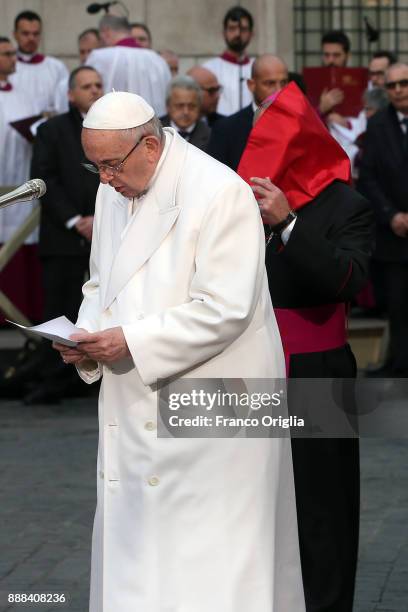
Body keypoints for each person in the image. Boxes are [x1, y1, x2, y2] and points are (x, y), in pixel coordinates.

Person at [53, 91, 305, 612]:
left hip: (216, 403)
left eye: (109, 165)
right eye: (93, 165)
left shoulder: (219, 191)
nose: (102, 178)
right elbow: (101, 282)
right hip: (132, 391)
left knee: (213, 560)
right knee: (140, 555)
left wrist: (132, 341)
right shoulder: (113, 187)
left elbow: (226, 307)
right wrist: (85, 337)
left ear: (150, 144)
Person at [238, 82, 374, 612]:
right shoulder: (241, 197)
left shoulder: (349, 205)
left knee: (322, 504)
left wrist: (289, 223)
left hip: (317, 370)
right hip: (248, 363)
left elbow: (347, 280)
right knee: (251, 496)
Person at [26, 66, 102, 404]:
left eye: (98, 85)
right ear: (71, 94)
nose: (94, 90)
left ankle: (97, 373)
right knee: (59, 308)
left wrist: (100, 220)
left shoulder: (114, 129)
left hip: (106, 234)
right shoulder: (52, 130)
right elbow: (44, 180)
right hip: (64, 235)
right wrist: (76, 220)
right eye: (86, 86)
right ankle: (55, 378)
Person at [358, 62, 408, 377]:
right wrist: (392, 216)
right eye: (391, 86)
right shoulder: (377, 127)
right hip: (393, 234)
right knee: (398, 304)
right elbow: (369, 179)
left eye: (404, 83)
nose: (399, 90)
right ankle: (399, 363)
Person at [0, 36, 42, 324]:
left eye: (13, 53)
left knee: (19, 242)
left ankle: (21, 314)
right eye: (6, 54)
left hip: (19, 177)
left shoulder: (24, 93)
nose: (14, 58)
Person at [207, 54, 288, 170]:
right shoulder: (225, 130)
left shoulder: (299, 124)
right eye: (270, 83)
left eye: (283, 83)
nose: (279, 90)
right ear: (251, 85)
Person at [86, 14, 170, 116]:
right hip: (154, 127)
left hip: (112, 125)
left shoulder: (99, 57)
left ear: (106, 31)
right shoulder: (158, 60)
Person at [10, 10, 68, 115]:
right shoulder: (6, 68)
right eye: (25, 33)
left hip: (47, 127)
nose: (31, 38)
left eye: (35, 34)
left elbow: (63, 102)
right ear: (15, 34)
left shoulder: (56, 67)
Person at [203, 6, 254, 115]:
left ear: (251, 34)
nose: (237, 34)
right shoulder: (208, 69)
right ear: (224, 33)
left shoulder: (257, 69)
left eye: (243, 29)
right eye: (232, 28)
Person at [54, 29, 101, 114]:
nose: (86, 57)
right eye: (82, 52)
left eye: (90, 52)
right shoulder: (65, 84)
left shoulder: (110, 77)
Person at [160, 76, 210, 150]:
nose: (186, 112)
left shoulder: (210, 136)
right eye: (180, 106)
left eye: (192, 106)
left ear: (199, 106)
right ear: (168, 106)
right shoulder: (155, 132)